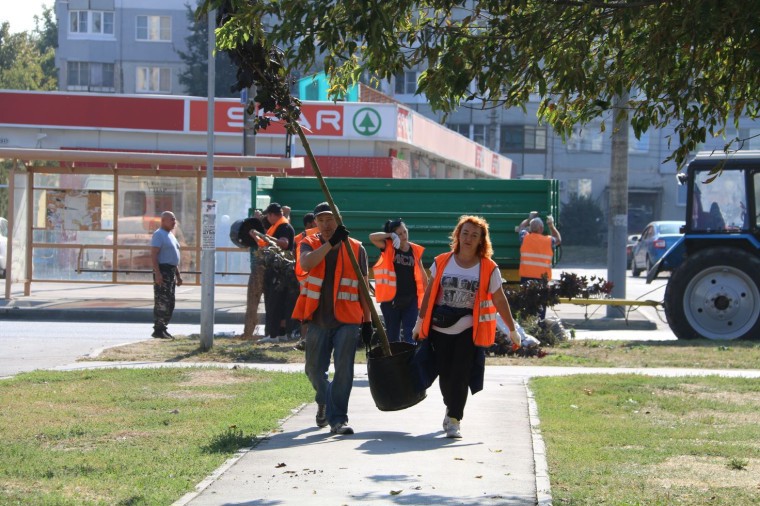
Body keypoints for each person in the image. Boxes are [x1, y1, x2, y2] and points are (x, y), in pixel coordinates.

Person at [412, 215, 520, 439]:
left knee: (460, 374)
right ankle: (450, 407)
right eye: (465, 233)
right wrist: (419, 322)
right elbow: (430, 293)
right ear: (457, 236)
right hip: (439, 329)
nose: (469, 238)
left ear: (482, 240)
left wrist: (512, 329)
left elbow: (500, 300)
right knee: (445, 375)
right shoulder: (442, 261)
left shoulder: (489, 268)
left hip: (468, 331)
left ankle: (454, 419)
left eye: (474, 235)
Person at [292, 202, 373, 435]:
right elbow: (306, 264)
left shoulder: (357, 248)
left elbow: (363, 289)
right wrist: (331, 243)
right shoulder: (308, 243)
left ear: (339, 219)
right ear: (315, 223)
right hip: (317, 320)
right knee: (314, 370)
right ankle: (324, 399)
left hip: (348, 320)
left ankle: (338, 420)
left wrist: (367, 322)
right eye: (321, 220)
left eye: (330, 219)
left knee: (344, 369)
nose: (326, 224)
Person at [369, 219, 428, 343]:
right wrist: (390, 236)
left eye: (405, 232)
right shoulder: (388, 246)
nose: (404, 236)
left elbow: (423, 275)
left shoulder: (414, 250)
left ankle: (409, 361)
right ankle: (395, 361)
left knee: (411, 335)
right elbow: (372, 237)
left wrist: (428, 296)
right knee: (393, 337)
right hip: (391, 301)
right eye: (399, 234)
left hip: (411, 299)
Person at [251, 202, 296, 343]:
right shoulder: (280, 226)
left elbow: (284, 243)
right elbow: (266, 243)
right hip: (281, 269)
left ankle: (273, 335)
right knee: (280, 303)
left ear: (272, 215)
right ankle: (281, 333)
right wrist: (256, 237)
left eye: (267, 215)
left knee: (273, 303)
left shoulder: (283, 227)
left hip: (278, 270)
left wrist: (266, 237)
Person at [518, 216, 561, 319]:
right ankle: (539, 328)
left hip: (526, 278)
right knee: (541, 306)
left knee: (526, 306)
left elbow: (521, 227)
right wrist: (551, 226)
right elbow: (558, 239)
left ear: (530, 228)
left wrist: (529, 218)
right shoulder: (548, 240)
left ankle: (527, 327)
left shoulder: (525, 237)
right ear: (541, 228)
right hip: (542, 279)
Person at [150, 211, 183, 339]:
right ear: (163, 221)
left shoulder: (171, 235)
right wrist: (157, 273)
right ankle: (158, 329)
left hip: (171, 271)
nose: (174, 222)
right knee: (162, 301)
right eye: (172, 220)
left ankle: (163, 327)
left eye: (175, 220)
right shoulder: (159, 234)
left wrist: (178, 275)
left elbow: (173, 259)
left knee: (170, 301)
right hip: (162, 270)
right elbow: (154, 255)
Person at [292, 212, 320, 351]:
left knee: (305, 310)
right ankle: (310, 340)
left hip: (303, 277)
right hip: (316, 276)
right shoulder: (321, 233)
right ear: (312, 222)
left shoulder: (300, 237)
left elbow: (293, 254)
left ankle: (304, 339)